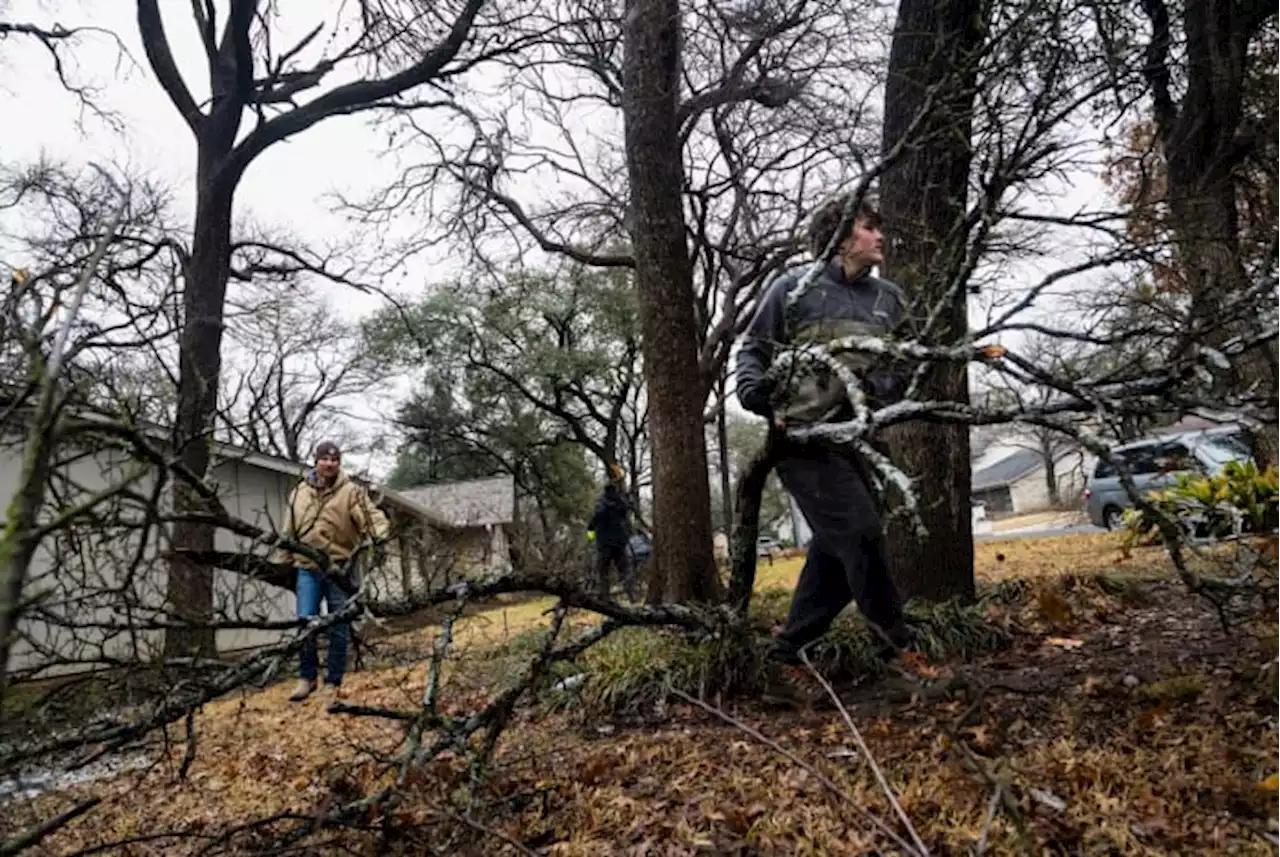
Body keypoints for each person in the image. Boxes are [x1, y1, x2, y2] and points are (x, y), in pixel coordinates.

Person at [735, 193, 917, 665]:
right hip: (803, 441)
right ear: (840, 236)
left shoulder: (889, 299)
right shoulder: (794, 289)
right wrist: (754, 390)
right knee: (859, 534)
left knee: (836, 552)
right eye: (868, 226)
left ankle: (788, 649)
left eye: (880, 226)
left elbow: (908, 365)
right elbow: (753, 349)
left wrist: (881, 385)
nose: (880, 235)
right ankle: (897, 642)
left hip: (862, 441)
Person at [278, 441, 390, 703]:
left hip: (340, 567)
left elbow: (371, 517)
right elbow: (288, 528)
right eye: (324, 459)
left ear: (339, 463)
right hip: (307, 567)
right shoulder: (299, 493)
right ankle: (306, 678)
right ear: (315, 461)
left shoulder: (351, 492)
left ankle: (333, 680)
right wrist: (284, 559)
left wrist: (380, 536)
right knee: (306, 622)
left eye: (334, 459)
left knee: (339, 625)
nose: (329, 464)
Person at [586, 465, 638, 601]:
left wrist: (590, 530)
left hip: (604, 544)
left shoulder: (602, 503)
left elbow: (596, 517)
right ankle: (631, 595)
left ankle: (605, 597)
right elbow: (628, 510)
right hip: (620, 542)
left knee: (603, 571)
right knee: (624, 569)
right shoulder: (621, 502)